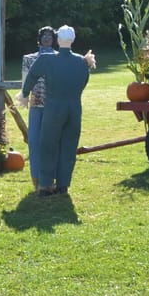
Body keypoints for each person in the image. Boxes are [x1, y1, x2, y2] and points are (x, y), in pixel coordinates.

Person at [20, 25, 91, 196]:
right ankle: (63, 184)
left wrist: (24, 93)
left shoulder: (47, 59)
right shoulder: (82, 61)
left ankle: (45, 185)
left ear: (58, 40)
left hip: (53, 108)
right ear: (73, 40)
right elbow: (84, 82)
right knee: (69, 146)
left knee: (48, 145)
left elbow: (32, 76)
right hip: (74, 109)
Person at [20, 26, 57, 188]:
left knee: (51, 143)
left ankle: (51, 179)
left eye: (50, 36)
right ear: (39, 39)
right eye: (44, 35)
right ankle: (36, 179)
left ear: (54, 39)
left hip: (53, 107)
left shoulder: (59, 58)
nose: (47, 38)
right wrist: (25, 97)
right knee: (34, 141)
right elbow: (25, 82)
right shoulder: (29, 59)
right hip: (35, 106)